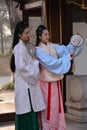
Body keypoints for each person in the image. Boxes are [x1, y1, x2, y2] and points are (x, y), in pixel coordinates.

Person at [35, 25, 83, 130]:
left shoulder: (53, 46)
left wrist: (75, 41)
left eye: (48, 34)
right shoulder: (38, 50)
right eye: (45, 34)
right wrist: (67, 58)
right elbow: (51, 63)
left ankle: (57, 127)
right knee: (48, 108)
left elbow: (66, 50)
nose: (48, 36)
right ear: (39, 36)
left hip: (55, 81)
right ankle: (47, 127)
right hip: (45, 83)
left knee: (56, 107)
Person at [10, 21, 45, 130]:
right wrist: (35, 64)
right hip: (25, 87)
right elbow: (22, 68)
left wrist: (33, 63)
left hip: (27, 86)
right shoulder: (19, 48)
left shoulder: (24, 47)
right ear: (19, 35)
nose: (28, 35)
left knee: (29, 112)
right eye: (26, 33)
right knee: (27, 113)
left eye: (28, 33)